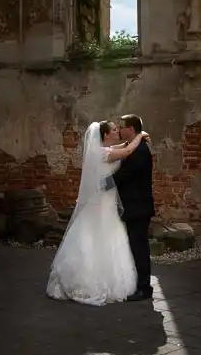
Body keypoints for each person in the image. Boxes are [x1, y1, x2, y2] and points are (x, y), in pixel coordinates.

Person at [46, 120, 150, 306]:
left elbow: (124, 146)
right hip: (103, 203)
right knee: (100, 237)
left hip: (107, 200)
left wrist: (133, 139)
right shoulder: (102, 152)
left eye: (119, 128)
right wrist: (140, 135)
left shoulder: (105, 149)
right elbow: (127, 151)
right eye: (114, 129)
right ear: (105, 135)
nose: (117, 131)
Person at [104, 114, 156, 301]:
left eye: (122, 127)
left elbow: (122, 176)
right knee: (135, 246)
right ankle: (139, 284)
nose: (119, 129)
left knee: (139, 248)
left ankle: (144, 288)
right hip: (134, 207)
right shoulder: (133, 147)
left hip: (138, 208)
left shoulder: (139, 151)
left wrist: (100, 184)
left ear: (131, 129)